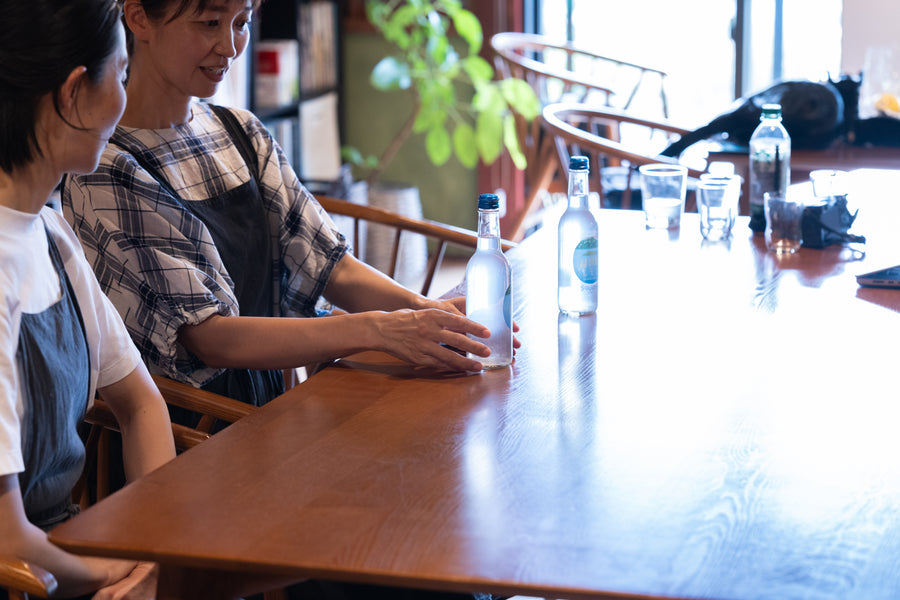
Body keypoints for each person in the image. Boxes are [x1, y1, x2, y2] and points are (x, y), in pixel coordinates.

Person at [62, 0, 517, 414]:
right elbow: (210, 336)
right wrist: (379, 329)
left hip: (271, 412)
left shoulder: (240, 131)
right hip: (190, 433)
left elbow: (329, 265)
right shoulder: (105, 166)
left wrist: (430, 318)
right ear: (139, 16)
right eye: (209, 22)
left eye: (241, 22)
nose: (230, 46)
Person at [0, 1, 177, 599]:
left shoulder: (49, 231)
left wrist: (152, 557)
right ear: (75, 92)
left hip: (62, 561)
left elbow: (142, 404)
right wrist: (116, 575)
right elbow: (9, 540)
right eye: (121, 75)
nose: (125, 100)